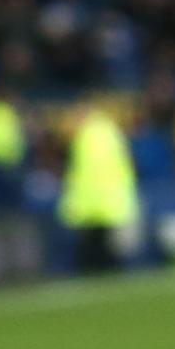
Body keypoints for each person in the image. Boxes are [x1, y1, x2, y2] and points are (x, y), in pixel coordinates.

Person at [60, 101, 140, 275]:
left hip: (93, 202)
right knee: (108, 252)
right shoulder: (110, 131)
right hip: (110, 201)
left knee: (96, 253)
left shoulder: (85, 135)